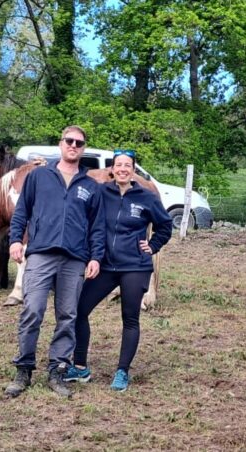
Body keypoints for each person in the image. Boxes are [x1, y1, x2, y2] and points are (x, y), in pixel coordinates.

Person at [4, 125, 106, 399]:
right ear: (61, 144)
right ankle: (23, 369)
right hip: (40, 254)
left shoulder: (90, 186)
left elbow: (97, 226)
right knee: (32, 310)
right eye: (69, 141)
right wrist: (16, 240)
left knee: (67, 316)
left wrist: (96, 256)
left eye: (79, 143)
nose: (73, 145)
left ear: (83, 149)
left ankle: (57, 371)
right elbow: (22, 211)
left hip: (74, 260)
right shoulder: (39, 176)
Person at [64, 148, 172, 392]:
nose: (123, 169)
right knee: (80, 310)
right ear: (112, 169)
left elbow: (165, 226)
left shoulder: (147, 198)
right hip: (105, 265)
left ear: (133, 170)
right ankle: (80, 367)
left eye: (128, 165)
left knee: (130, 318)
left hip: (135, 266)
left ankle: (122, 371)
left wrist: (152, 246)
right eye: (118, 164)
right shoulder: (101, 192)